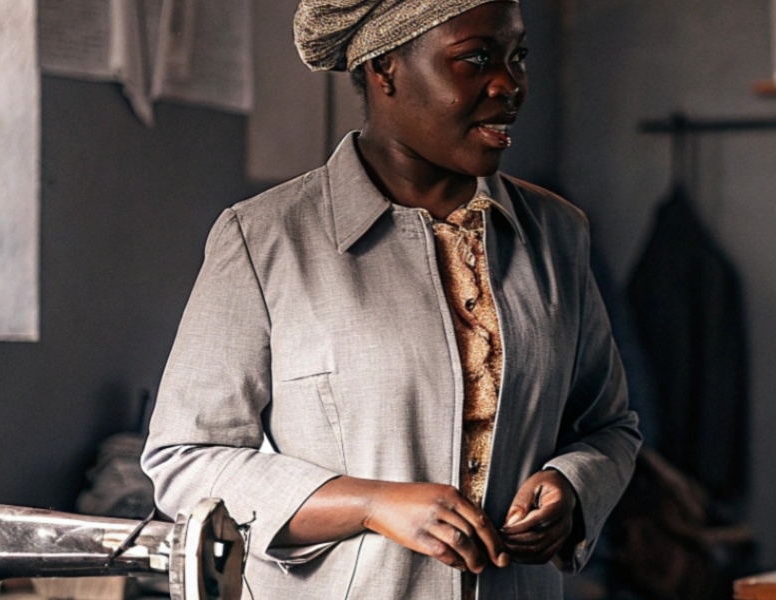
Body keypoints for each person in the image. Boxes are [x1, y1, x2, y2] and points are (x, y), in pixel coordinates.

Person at [141, 1, 641, 598]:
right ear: (385, 69)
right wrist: (372, 504)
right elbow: (185, 461)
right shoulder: (266, 238)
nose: (510, 83)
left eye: (518, 57)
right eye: (476, 58)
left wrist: (572, 485)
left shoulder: (558, 235)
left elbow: (609, 427)